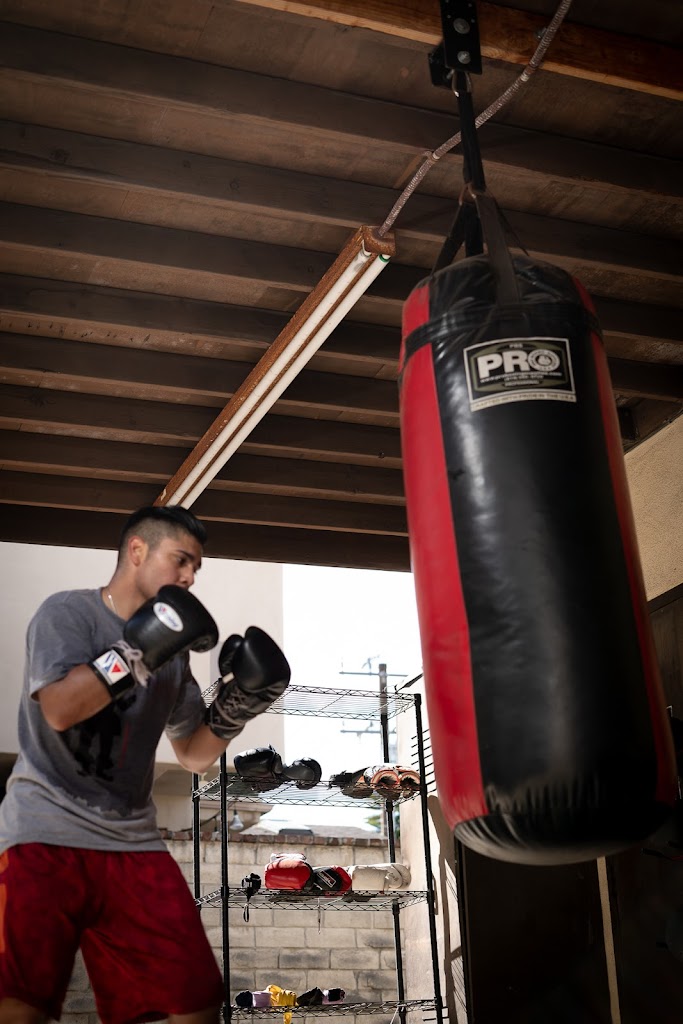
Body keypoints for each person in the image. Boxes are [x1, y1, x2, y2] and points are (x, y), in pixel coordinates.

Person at [0, 505, 291, 1024]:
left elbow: (193, 754)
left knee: (193, 999)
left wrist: (239, 706)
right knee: (21, 1003)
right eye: (181, 560)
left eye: (196, 568)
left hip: (132, 841)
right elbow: (61, 709)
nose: (189, 577)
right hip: (44, 832)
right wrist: (139, 651)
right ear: (136, 551)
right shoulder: (67, 614)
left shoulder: (174, 657)